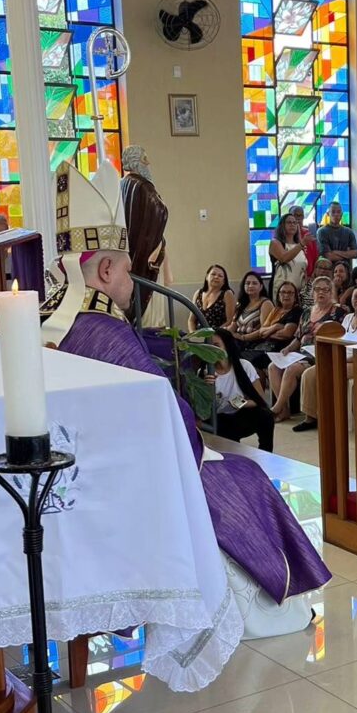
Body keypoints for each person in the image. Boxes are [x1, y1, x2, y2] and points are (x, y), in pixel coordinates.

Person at [42, 160, 330, 639]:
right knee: (246, 475)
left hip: (79, 478)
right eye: (131, 270)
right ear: (107, 268)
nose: (134, 281)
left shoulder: (50, 320)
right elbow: (166, 420)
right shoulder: (105, 331)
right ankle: (276, 608)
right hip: (133, 481)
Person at [293, 284, 357, 432]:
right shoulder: (347, 318)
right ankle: (311, 417)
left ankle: (335, 417)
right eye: (356, 297)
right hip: (340, 359)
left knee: (331, 373)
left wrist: (345, 360)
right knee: (309, 373)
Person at [268, 277, 342, 421]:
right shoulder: (307, 312)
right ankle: (284, 409)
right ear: (312, 293)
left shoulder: (337, 311)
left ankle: (277, 408)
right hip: (301, 352)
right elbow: (297, 337)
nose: (321, 292)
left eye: (325, 289)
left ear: (331, 292)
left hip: (321, 352)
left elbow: (339, 335)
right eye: (317, 289)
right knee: (273, 366)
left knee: (291, 369)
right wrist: (288, 348)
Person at [119, 145, 169, 322]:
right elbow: (159, 210)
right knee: (152, 310)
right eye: (144, 159)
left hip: (131, 251)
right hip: (147, 255)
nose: (148, 163)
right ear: (136, 162)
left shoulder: (122, 183)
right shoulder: (144, 186)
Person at [206, 328, 275, 451]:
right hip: (220, 419)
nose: (212, 349)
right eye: (209, 346)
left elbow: (260, 400)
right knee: (229, 440)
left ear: (227, 346)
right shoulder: (206, 372)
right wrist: (205, 387)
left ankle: (267, 452)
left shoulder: (245, 366)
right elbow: (202, 411)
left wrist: (237, 403)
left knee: (266, 416)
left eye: (216, 345)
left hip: (240, 414)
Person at [269, 212, 308, 301]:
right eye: (289, 222)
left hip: (299, 291)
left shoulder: (299, 246)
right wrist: (301, 244)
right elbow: (284, 258)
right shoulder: (276, 243)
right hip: (282, 290)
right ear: (282, 225)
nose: (292, 225)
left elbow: (303, 267)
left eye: (295, 223)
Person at [229, 271, 271, 351]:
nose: (250, 286)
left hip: (256, 345)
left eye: (254, 283)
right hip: (238, 342)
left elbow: (264, 331)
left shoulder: (265, 303)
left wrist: (243, 337)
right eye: (247, 283)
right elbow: (233, 325)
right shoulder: (241, 304)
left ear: (261, 286)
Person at [189, 264, 236, 331]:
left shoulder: (227, 294)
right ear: (206, 277)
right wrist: (193, 335)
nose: (216, 277)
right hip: (198, 335)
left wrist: (212, 335)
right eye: (213, 274)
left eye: (220, 276)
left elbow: (230, 321)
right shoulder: (198, 293)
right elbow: (191, 320)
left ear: (224, 281)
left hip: (218, 335)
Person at [317, 201, 357, 267]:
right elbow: (328, 256)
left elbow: (355, 253)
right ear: (328, 214)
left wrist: (335, 252)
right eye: (333, 212)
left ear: (341, 214)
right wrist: (347, 254)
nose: (336, 214)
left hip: (346, 270)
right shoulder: (322, 231)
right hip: (329, 270)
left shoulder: (349, 231)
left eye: (338, 212)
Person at [290, 204, 318, 275]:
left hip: (310, 276)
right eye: (295, 215)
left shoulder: (309, 233)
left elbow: (316, 257)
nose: (298, 218)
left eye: (301, 215)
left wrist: (313, 273)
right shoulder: (286, 235)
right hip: (293, 276)